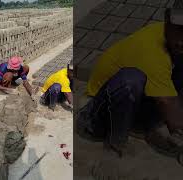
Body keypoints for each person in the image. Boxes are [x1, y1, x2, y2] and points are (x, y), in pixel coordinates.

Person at [77, 8, 183, 158]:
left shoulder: (167, 37)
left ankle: (139, 125)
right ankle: (116, 142)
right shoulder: (153, 54)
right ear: (167, 21)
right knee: (131, 80)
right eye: (179, 30)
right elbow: (173, 115)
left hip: (128, 104)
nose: (181, 40)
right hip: (96, 114)